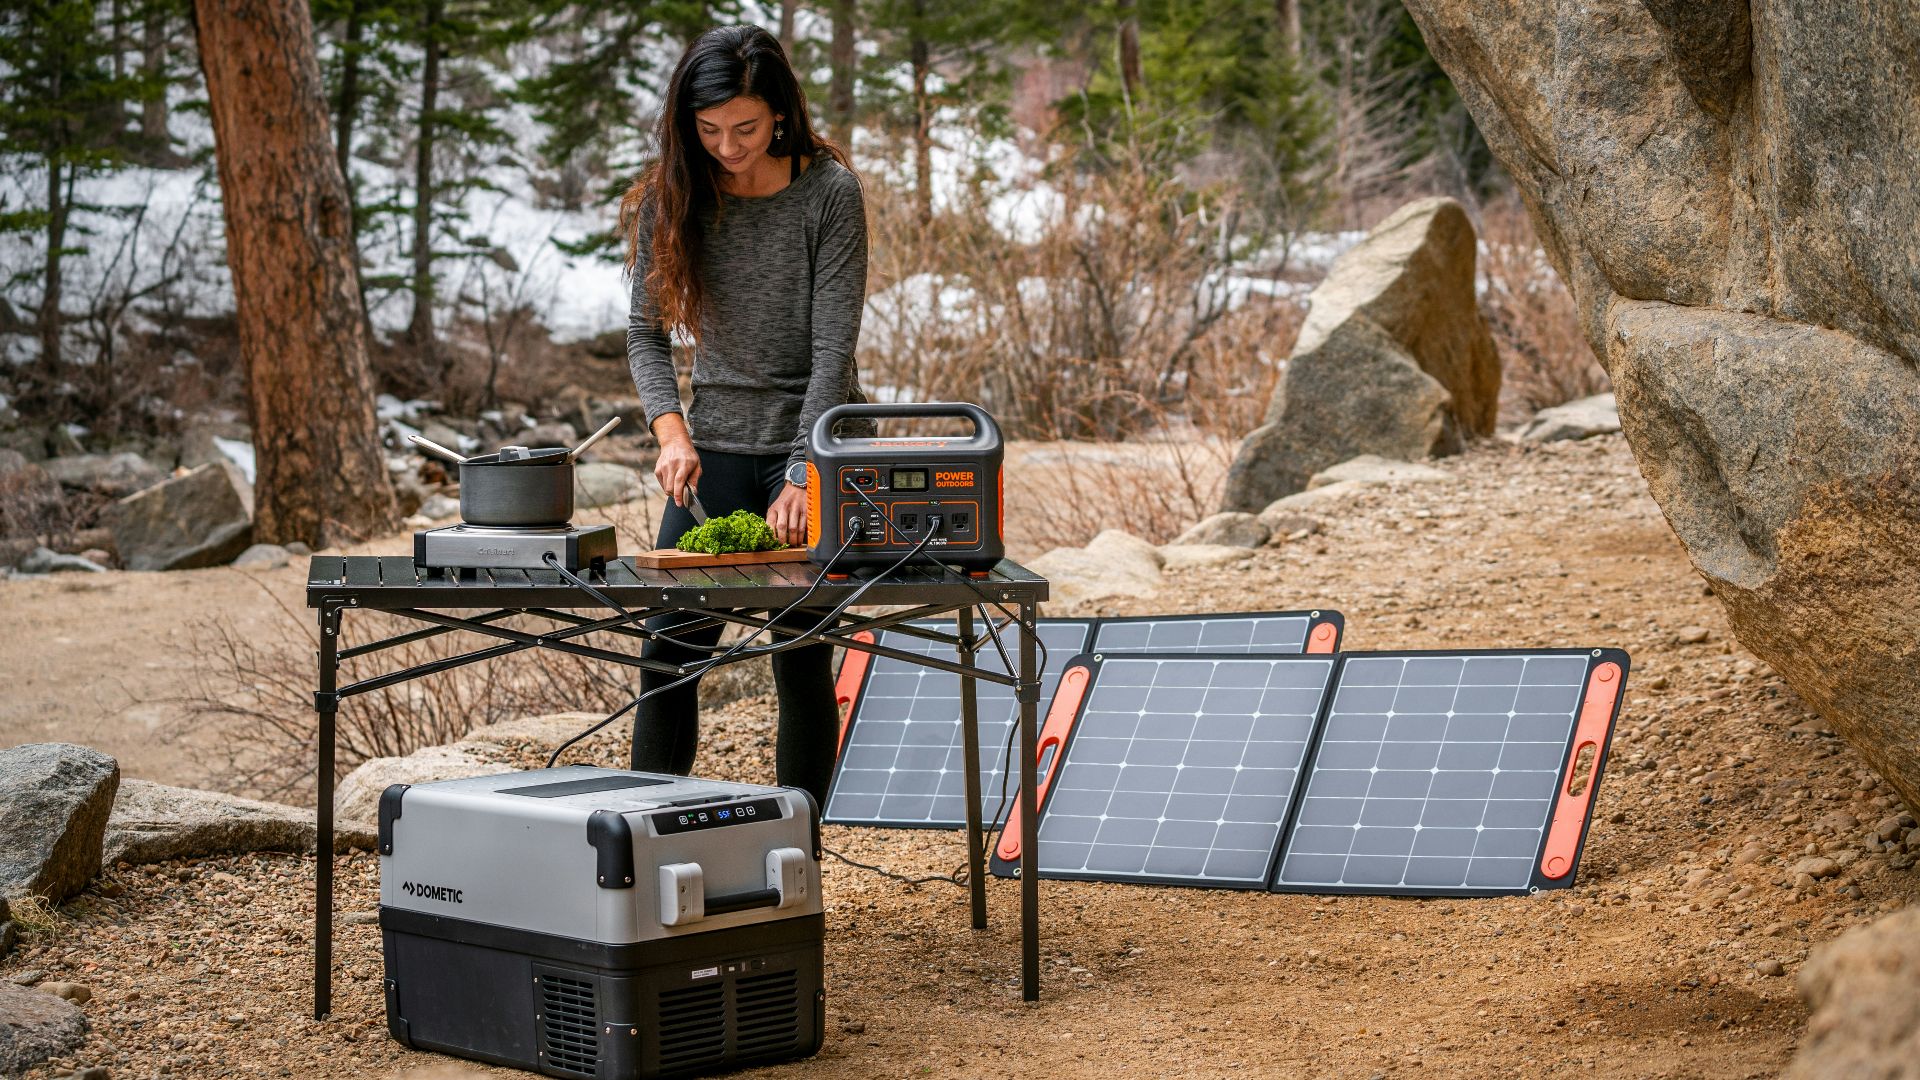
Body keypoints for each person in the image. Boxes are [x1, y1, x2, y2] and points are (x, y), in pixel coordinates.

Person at [620, 24, 868, 804]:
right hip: (718, 443)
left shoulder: (830, 193)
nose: (727, 145)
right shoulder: (673, 196)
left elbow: (833, 352)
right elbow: (645, 334)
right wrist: (670, 430)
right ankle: (642, 842)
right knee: (669, 648)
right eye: (709, 129)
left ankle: (801, 860)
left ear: (781, 117)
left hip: (817, 441)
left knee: (801, 650)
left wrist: (803, 472)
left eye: (747, 128)